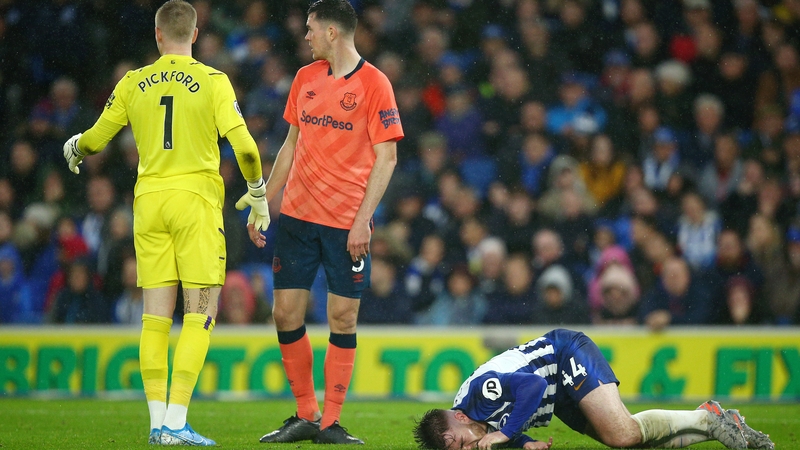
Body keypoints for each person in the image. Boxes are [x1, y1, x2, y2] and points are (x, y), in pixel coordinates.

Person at [61, 0, 269, 445]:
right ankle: (176, 422)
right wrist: (257, 192)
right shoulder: (214, 81)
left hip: (148, 203)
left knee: (154, 320)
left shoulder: (134, 82)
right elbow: (247, 150)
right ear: (194, 34)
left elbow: (96, 139)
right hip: (194, 202)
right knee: (199, 314)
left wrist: (76, 146)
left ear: (158, 36)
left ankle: (157, 424)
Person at [252, 0, 403, 445]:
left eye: (311, 29)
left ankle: (331, 422)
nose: (306, 36)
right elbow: (289, 145)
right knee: (284, 313)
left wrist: (363, 221)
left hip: (345, 225)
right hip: (298, 217)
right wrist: (265, 200)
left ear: (333, 33)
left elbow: (387, 157)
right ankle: (305, 414)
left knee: (342, 316)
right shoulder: (305, 78)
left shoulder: (376, 84)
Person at [413, 329, 774, 450]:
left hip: (565, 355)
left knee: (622, 431)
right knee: (627, 440)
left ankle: (707, 416)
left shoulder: (480, 395)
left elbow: (533, 385)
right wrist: (525, 442)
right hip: (556, 397)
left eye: (459, 442)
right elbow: (502, 426)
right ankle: (715, 423)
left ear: (459, 417)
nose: (468, 447)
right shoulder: (476, 425)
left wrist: (507, 434)